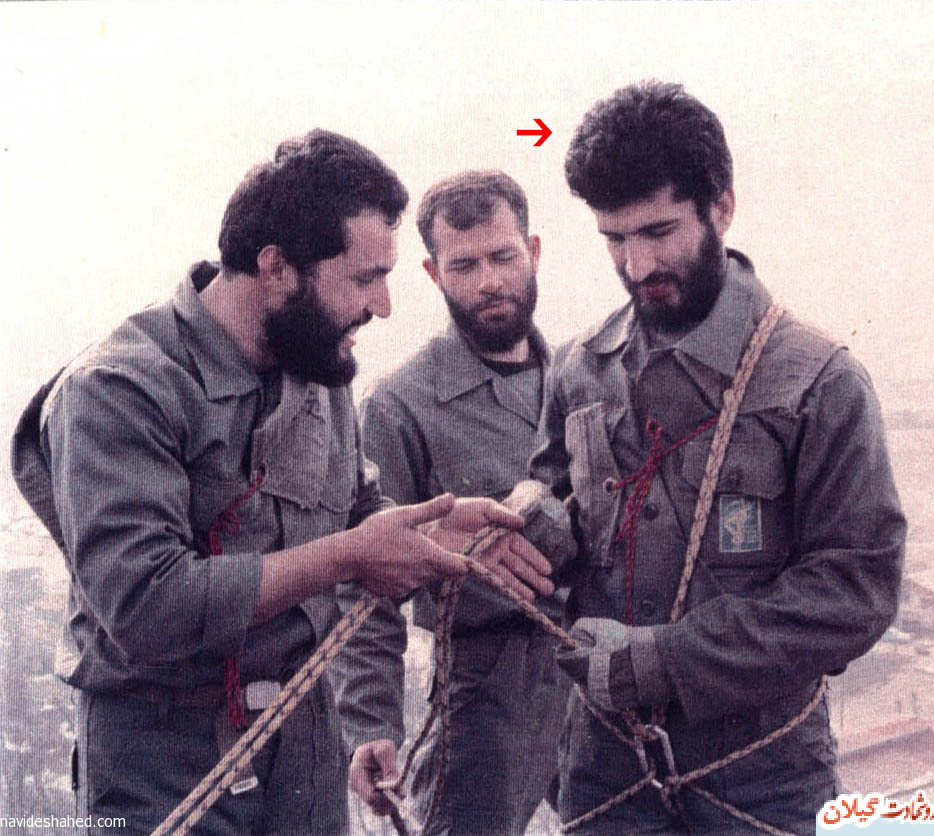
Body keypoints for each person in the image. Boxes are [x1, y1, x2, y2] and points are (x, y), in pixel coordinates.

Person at [9, 130, 552, 836]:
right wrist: (352, 555)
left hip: (303, 744)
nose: (384, 305)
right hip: (163, 760)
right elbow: (145, 604)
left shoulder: (316, 366)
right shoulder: (117, 390)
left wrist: (423, 529)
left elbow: (356, 510)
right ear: (275, 269)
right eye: (364, 278)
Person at [530, 81, 906, 835]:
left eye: (659, 231)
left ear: (722, 207)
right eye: (614, 239)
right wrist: (536, 526)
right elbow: (554, 506)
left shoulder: (819, 383)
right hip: (607, 766)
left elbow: (856, 590)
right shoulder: (580, 371)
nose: (638, 263)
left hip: (763, 776)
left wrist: (667, 661)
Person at [335, 170, 571, 835]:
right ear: (434, 274)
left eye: (503, 257)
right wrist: (372, 722)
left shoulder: (585, 378)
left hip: (598, 674)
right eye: (464, 266)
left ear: (533, 251)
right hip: (485, 693)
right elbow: (366, 586)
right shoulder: (399, 405)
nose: (488, 281)